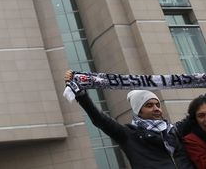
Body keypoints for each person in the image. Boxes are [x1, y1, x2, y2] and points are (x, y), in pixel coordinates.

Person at [65, 70, 194, 168]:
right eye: (149, 105)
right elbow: (100, 119)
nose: (156, 109)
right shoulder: (128, 134)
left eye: (157, 105)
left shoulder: (174, 131)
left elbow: (197, 114)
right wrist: (81, 95)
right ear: (139, 111)